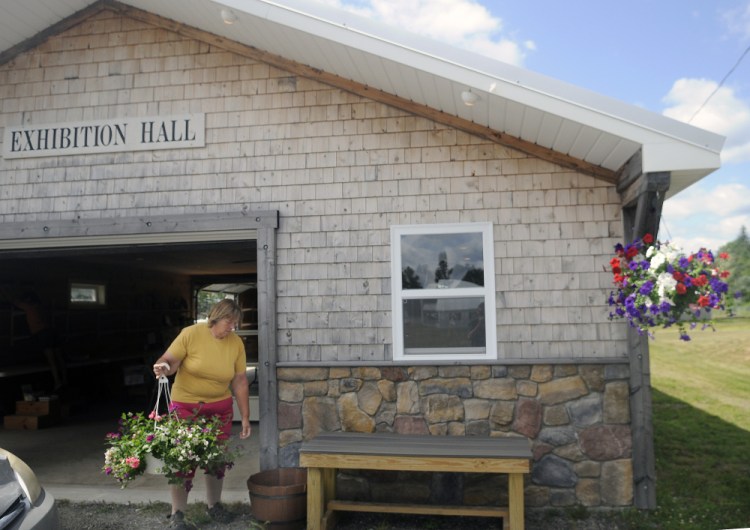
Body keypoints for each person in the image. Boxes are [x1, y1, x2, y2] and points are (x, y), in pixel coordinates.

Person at [152, 299, 251, 530]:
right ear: (216, 317)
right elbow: (170, 361)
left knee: (216, 461)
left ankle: (214, 506)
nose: (232, 328)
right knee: (183, 460)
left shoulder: (235, 343)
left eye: (235, 323)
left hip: (220, 408)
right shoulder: (191, 333)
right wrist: (162, 366)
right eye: (229, 322)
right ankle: (178, 515)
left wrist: (245, 416)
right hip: (186, 406)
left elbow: (239, 381)